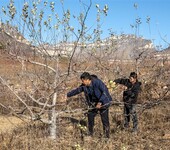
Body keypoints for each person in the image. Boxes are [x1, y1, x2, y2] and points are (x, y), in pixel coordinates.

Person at [67, 72, 112, 138]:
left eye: (83, 81)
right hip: (93, 104)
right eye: (82, 81)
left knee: (105, 120)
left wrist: (100, 102)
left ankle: (106, 137)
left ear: (88, 80)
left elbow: (105, 92)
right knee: (90, 117)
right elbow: (77, 90)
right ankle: (90, 134)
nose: (82, 82)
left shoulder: (98, 82)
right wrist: (68, 95)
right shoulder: (84, 86)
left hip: (103, 102)